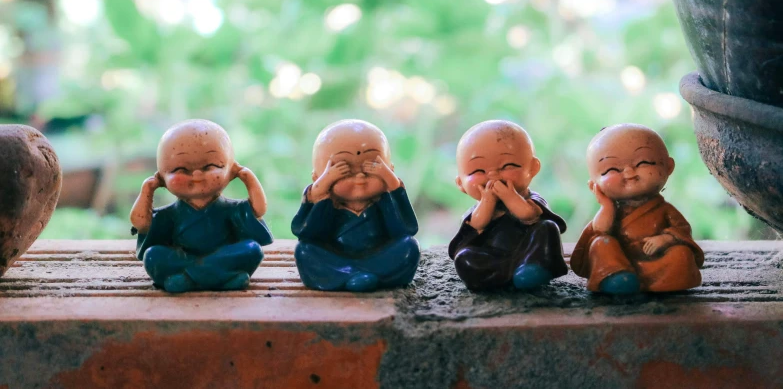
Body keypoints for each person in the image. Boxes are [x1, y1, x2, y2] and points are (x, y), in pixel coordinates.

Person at [130, 119, 273, 293]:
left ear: (230, 170)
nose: (197, 175)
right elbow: (140, 223)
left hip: (215, 257)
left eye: (210, 166)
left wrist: (247, 177)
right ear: (162, 177)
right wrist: (148, 188)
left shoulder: (230, 209)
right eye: (181, 170)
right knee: (152, 256)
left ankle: (188, 279)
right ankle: (223, 278)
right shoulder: (170, 214)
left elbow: (258, 209)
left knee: (252, 249)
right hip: (185, 258)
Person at [570, 124, 704, 294]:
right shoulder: (610, 211)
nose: (629, 172)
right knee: (600, 243)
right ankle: (618, 278)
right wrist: (606, 206)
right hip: (620, 262)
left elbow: (682, 230)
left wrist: (665, 239)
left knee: (681, 253)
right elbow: (600, 230)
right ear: (593, 185)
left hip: (656, 260)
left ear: (668, 167)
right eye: (612, 169)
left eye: (643, 162)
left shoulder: (665, 210)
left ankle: (662, 283)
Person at [292, 119, 420, 292]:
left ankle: (357, 276)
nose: (360, 177)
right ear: (317, 178)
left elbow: (406, 229)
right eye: (344, 170)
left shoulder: (383, 201)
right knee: (305, 251)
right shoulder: (328, 203)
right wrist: (322, 188)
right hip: (335, 259)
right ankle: (354, 275)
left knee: (409, 246)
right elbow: (305, 233)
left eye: (371, 168)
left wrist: (391, 182)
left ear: (390, 169)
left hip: (378, 257)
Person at [448, 120, 567, 291]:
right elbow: (478, 224)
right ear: (461, 184)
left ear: (532, 168)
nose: (493, 175)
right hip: (493, 257)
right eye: (478, 171)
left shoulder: (530, 199)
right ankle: (505, 276)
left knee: (548, 227)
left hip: (529, 252)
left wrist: (510, 197)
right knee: (464, 258)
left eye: (508, 166)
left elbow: (528, 215)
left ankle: (534, 270)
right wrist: (488, 201)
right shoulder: (479, 209)